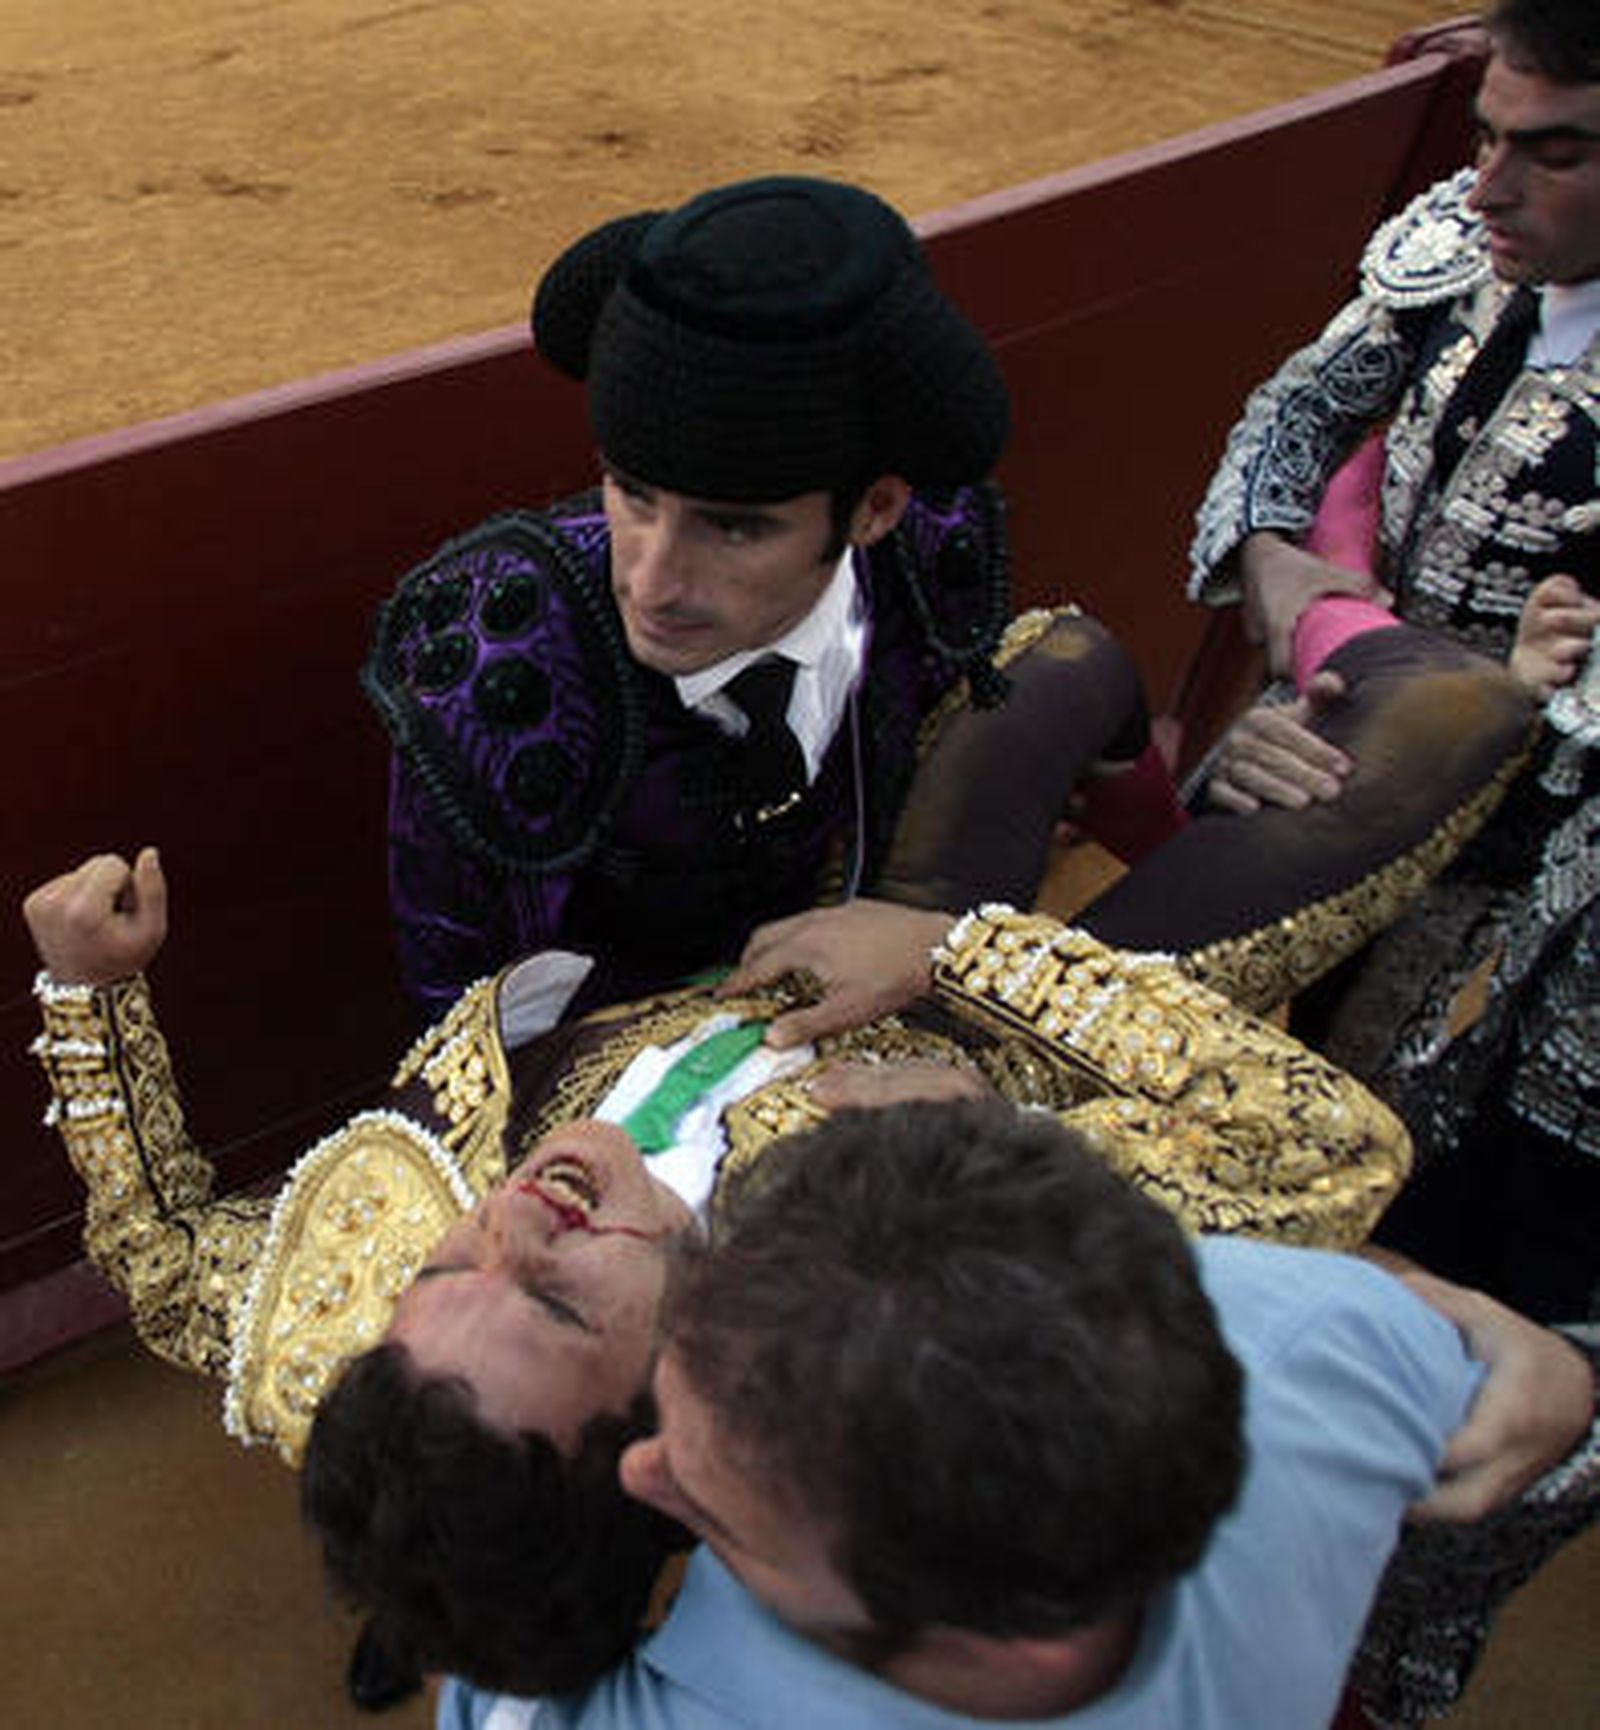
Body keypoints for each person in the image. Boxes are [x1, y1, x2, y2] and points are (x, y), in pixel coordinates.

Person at [23, 851, 1596, 1722]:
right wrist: (962, 966)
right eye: (560, 1302)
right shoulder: (930, 1288)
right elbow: (1314, 1150)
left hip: (774, 943)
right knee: (1371, 752)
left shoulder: (374, 1351)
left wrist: (89, 996)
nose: (512, 1217)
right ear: (690, 1443)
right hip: (1012, 1019)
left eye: (445, 1263)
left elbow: (171, 1260)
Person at [439, 1099, 1600, 1730]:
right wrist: (1551, 1362)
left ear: (998, 1640)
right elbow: (1424, 1341)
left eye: (723, 1513)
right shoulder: (1321, 1337)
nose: (641, 1471)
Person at [362, 173, 1167, 1027]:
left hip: (882, 949)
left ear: (875, 510)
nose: (652, 582)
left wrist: (941, 940)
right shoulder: (504, 665)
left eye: (735, 529)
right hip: (642, 1077)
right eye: (632, 494)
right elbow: (473, 1035)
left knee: (1079, 664)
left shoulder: (926, 545)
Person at [1183, 0, 1600, 1319]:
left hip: (1554, 873)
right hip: (1355, 750)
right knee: (1271, 1080)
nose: (1488, 186)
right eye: (1485, 135)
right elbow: (1301, 407)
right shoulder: (1463, 248)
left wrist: (1486, 694)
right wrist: (1273, 559)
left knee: (1472, 1185)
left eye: (1556, 150)